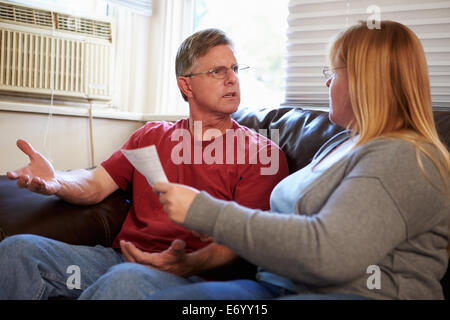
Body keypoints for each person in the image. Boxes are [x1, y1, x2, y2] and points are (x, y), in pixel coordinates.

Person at [147, 20, 450, 300]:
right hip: (276, 285)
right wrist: (224, 227)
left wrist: (207, 212)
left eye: (333, 73)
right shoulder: (343, 143)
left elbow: (329, 252)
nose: (328, 84)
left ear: (364, 80)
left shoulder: (402, 156)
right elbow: (299, 225)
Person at [0, 28, 289, 300]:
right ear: (186, 85)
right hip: (119, 260)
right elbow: (96, 184)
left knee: (125, 280)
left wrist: (187, 263)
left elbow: (243, 240)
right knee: (18, 251)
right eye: (217, 71)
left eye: (235, 69)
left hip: (191, 275)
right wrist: (57, 181)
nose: (232, 79)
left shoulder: (262, 154)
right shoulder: (151, 135)